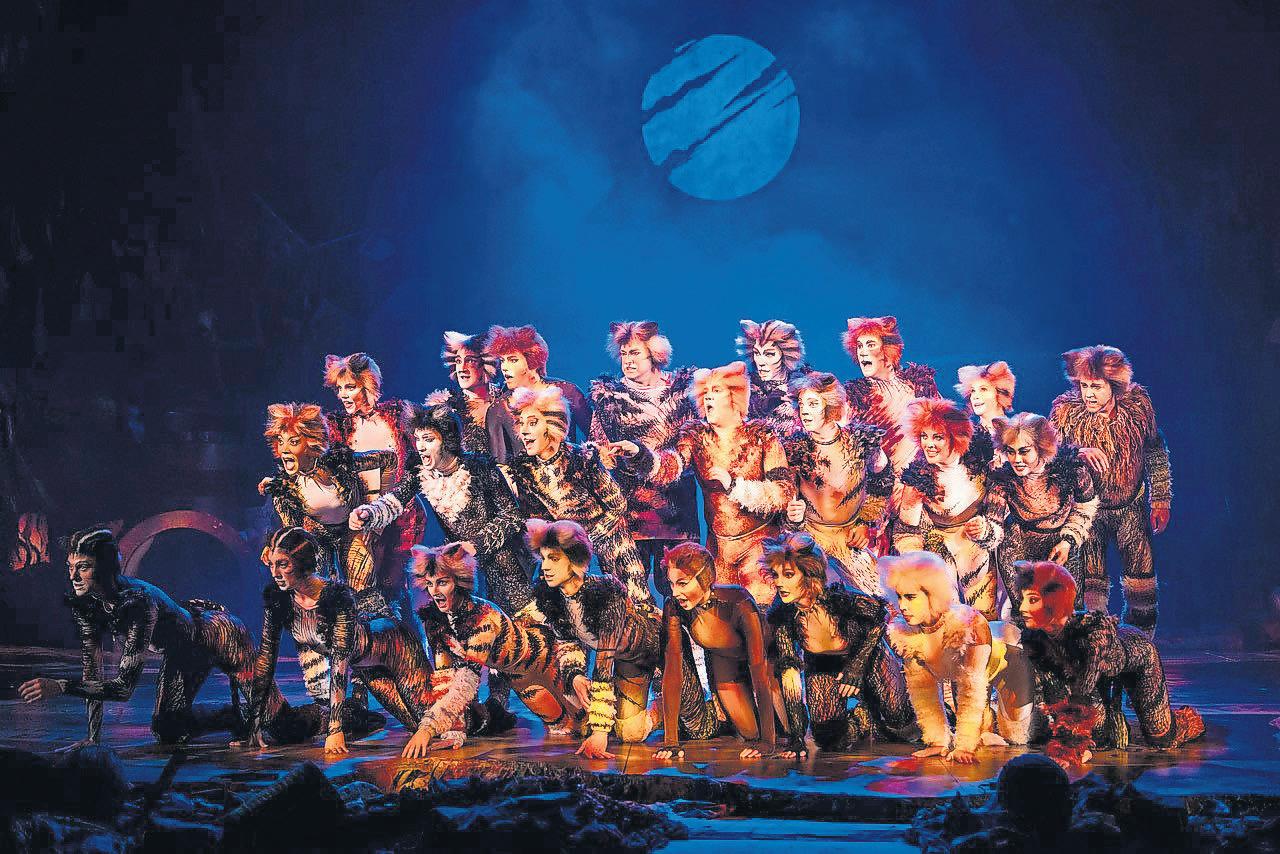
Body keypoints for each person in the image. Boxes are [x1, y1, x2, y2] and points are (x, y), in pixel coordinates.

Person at [18, 527, 297, 748]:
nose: (74, 577)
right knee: (168, 729)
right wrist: (93, 739)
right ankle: (234, 717)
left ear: (104, 568)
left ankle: (316, 716)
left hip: (221, 634)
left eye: (83, 567)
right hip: (184, 650)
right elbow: (93, 671)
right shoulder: (87, 604)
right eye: (70, 567)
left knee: (282, 727)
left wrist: (62, 686)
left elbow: (123, 688)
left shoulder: (138, 603)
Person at [244, 527, 495, 758]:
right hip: (366, 667)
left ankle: (487, 716)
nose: (275, 573)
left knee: (432, 723)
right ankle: (361, 718)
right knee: (414, 724)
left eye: (283, 564)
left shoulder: (335, 596)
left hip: (396, 647)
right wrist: (255, 724)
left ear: (302, 563)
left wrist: (335, 730)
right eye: (272, 564)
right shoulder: (279, 600)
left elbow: (340, 661)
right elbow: (266, 658)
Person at [615, 362, 795, 607]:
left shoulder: (762, 435)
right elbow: (671, 466)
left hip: (759, 544)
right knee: (719, 612)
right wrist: (639, 454)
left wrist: (735, 486)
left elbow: (783, 491)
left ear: (735, 396)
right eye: (706, 392)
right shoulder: (696, 436)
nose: (708, 396)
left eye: (717, 390)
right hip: (719, 548)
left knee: (757, 609)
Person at [1014, 561, 1204, 766]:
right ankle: (1114, 726)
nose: (1022, 608)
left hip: (1139, 663)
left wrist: (1068, 750)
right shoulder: (1035, 637)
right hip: (1096, 674)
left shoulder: (1093, 636)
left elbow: (1081, 695)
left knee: (1162, 739)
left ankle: (1189, 720)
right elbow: (1049, 690)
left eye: (1032, 600)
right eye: (1023, 599)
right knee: (1099, 735)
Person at [1050, 346, 1171, 635]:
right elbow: (1048, 454)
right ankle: (1099, 641)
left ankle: (1142, 640)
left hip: (1130, 505)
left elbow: (1155, 451)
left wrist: (1161, 499)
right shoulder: (1067, 413)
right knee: (1092, 579)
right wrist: (1078, 451)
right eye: (1084, 386)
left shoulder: (1137, 409)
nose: (1088, 394)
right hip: (1089, 510)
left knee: (1141, 575)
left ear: (1113, 385)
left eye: (1096, 387)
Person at [763, 533, 917, 757]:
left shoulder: (836, 594)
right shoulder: (783, 612)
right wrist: (796, 739)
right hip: (823, 663)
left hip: (866, 652)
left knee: (901, 725)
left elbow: (879, 615)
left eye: (788, 575)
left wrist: (856, 667)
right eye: (776, 575)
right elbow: (790, 674)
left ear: (809, 574)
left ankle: (881, 707)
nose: (779, 583)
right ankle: (864, 718)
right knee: (829, 739)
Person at [408, 542, 580, 734]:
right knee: (560, 728)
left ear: (458, 581)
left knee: (582, 720)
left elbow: (467, 681)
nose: (434, 592)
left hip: (547, 659)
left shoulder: (482, 617)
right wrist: (453, 731)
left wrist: (429, 728)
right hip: (519, 680)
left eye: (442, 583)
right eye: (429, 584)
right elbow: (445, 678)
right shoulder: (435, 623)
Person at [881, 551, 1032, 765]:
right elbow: (923, 692)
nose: (903, 606)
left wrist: (965, 746)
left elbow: (972, 689)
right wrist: (937, 741)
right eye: (899, 597)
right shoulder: (905, 633)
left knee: (1016, 737)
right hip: (971, 679)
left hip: (1010, 664)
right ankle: (985, 723)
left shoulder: (968, 625)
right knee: (984, 731)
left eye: (911, 597)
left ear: (932, 594)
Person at [504, 386, 651, 604]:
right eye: (521, 423)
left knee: (633, 606)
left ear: (553, 425)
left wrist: (588, 540)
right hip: (570, 554)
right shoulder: (524, 471)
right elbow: (539, 520)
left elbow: (617, 504)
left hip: (611, 544)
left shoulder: (582, 458)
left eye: (532, 423)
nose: (523, 431)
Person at [589, 321, 701, 596]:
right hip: (630, 511)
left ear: (654, 354)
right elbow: (598, 448)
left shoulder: (684, 394)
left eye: (635, 353)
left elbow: (694, 448)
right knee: (630, 591)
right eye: (624, 354)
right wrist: (606, 456)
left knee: (679, 589)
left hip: (676, 511)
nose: (627, 360)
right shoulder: (609, 399)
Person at [656, 542, 777, 759]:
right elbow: (672, 672)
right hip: (725, 661)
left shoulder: (738, 601)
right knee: (750, 733)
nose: (675, 592)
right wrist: (671, 742)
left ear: (704, 578)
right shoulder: (674, 606)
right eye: (672, 584)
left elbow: (759, 667)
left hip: (766, 661)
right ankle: (720, 712)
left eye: (682, 583)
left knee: (780, 730)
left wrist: (768, 742)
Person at [780, 371, 892, 594]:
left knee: (876, 599)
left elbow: (883, 478)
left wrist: (866, 522)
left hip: (850, 541)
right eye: (801, 404)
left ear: (830, 406)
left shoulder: (861, 441)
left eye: (813, 404)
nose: (804, 410)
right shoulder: (792, 449)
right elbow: (784, 500)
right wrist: (792, 518)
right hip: (811, 544)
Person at [894, 398, 1003, 619]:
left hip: (976, 553)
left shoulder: (984, 465)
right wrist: (920, 562)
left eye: (938, 437)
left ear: (957, 438)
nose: (928, 444)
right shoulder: (918, 479)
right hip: (937, 552)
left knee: (985, 619)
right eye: (924, 436)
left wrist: (985, 531)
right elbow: (905, 532)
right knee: (947, 619)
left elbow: (997, 521)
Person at [989, 412, 1098, 613]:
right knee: (1027, 613)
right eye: (1011, 452)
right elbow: (993, 524)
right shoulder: (1004, 480)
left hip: (1062, 544)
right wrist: (982, 532)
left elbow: (1086, 504)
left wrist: (1068, 541)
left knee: (1068, 612)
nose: (1016, 459)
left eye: (1024, 451)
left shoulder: (1072, 469)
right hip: (1019, 546)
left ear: (1041, 447)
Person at [486, 324, 592, 442]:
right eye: (502, 360)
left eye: (513, 360)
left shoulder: (569, 392)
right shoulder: (499, 409)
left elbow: (597, 440)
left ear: (533, 361)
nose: (504, 367)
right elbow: (499, 454)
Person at [425, 330, 519, 461]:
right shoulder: (445, 409)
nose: (462, 368)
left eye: (470, 361)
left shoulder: (509, 399)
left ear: (486, 364)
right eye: (458, 361)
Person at [736, 318, 818, 436]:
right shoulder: (748, 386)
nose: (760, 361)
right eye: (757, 353)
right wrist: (771, 401)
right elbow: (746, 413)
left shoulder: (806, 380)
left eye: (769, 354)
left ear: (786, 354)